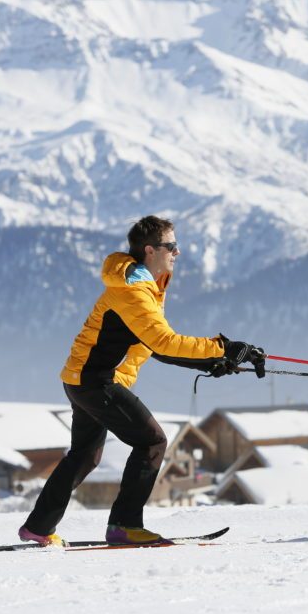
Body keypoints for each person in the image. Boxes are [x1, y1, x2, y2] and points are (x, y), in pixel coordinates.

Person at [19, 216, 266, 547]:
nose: (177, 252)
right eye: (171, 246)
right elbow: (164, 342)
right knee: (152, 442)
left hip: (83, 380)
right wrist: (224, 347)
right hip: (97, 381)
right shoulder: (133, 292)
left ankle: (39, 527)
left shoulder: (145, 286)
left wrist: (215, 361)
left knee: (84, 456)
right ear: (150, 250)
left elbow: (155, 346)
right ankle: (125, 525)